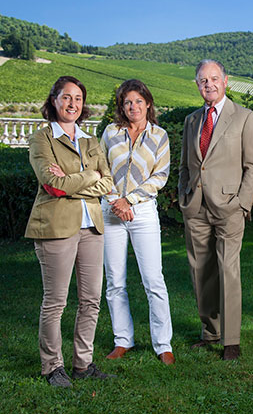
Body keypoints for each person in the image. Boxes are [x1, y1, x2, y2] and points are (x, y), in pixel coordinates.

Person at [25, 76, 114, 388]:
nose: (72, 104)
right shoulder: (42, 139)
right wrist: (90, 177)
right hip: (56, 228)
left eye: (78, 98)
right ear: (54, 101)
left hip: (92, 228)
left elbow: (109, 182)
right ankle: (52, 367)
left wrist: (78, 177)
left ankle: (83, 364)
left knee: (91, 300)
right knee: (56, 301)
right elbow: (53, 185)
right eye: (66, 97)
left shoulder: (91, 142)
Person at [178, 59, 253, 360]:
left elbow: (252, 167)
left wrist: (241, 205)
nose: (208, 84)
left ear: (226, 80)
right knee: (201, 271)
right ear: (197, 85)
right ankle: (209, 331)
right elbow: (185, 165)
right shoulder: (191, 121)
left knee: (228, 269)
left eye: (214, 78)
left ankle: (231, 340)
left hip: (229, 207)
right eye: (202, 80)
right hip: (195, 207)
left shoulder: (245, 117)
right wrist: (184, 196)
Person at [99, 79, 175, 365]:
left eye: (138, 101)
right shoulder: (110, 133)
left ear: (148, 104)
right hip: (111, 210)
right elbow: (100, 169)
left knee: (154, 280)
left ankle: (162, 344)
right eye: (128, 102)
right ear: (122, 106)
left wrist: (129, 201)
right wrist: (115, 201)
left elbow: (160, 176)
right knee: (114, 281)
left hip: (142, 212)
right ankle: (122, 340)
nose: (133, 106)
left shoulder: (160, 136)